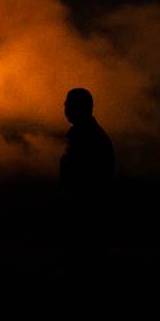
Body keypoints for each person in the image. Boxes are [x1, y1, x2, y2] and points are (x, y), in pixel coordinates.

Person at [60, 88, 114, 262]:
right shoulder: (89, 135)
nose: (65, 107)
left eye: (68, 103)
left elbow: (82, 180)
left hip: (85, 215)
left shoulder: (87, 138)